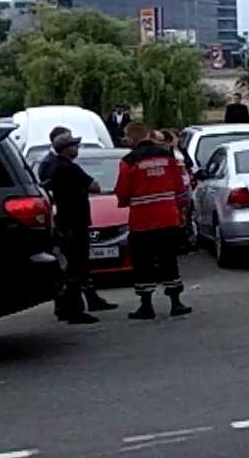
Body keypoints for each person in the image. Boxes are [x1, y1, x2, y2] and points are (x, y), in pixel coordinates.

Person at [113, 123, 192, 319]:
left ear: (131, 139)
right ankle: (176, 302)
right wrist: (181, 209)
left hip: (142, 220)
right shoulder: (167, 155)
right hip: (168, 217)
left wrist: (126, 201)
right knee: (169, 259)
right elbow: (180, 185)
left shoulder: (128, 161)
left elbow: (122, 192)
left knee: (143, 263)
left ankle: (146, 306)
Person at [44, 133, 117, 323]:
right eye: (74, 146)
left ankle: (67, 307)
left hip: (65, 222)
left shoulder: (55, 167)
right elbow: (94, 186)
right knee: (77, 267)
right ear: (66, 148)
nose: (76, 149)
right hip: (75, 222)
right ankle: (75, 311)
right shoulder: (69, 168)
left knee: (72, 267)